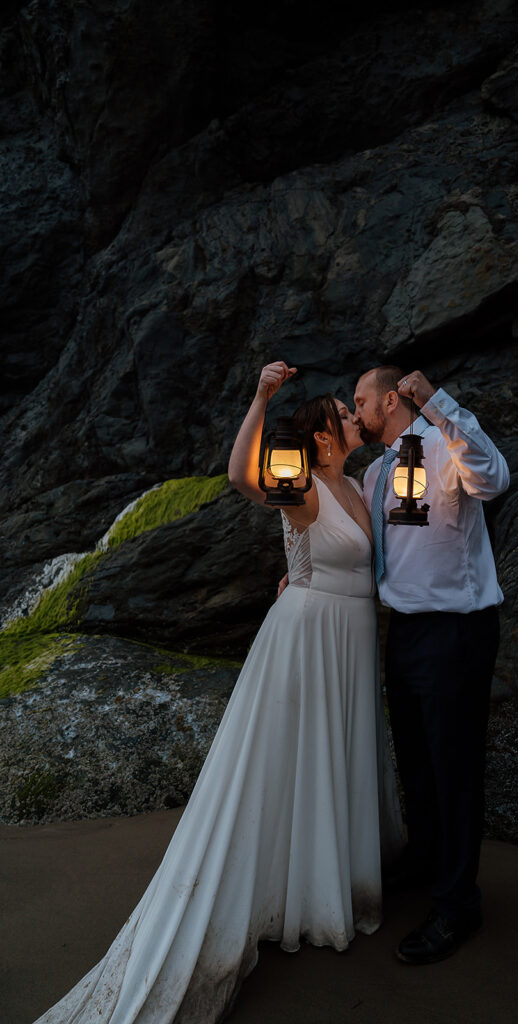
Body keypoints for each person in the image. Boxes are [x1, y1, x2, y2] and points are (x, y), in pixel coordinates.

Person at [34, 361, 403, 1024]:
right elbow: (239, 477)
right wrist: (263, 398)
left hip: (350, 641)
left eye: (356, 410)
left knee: (334, 759)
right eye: (344, 414)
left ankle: (321, 887)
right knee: (289, 762)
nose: (354, 417)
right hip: (307, 638)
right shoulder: (305, 487)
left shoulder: (358, 484)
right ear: (321, 437)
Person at [352, 365, 510, 965]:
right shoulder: (375, 472)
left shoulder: (446, 443)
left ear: (392, 399)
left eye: (362, 401)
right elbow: (367, 552)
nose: (357, 411)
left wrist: (440, 403)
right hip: (405, 631)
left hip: (456, 632)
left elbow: (495, 479)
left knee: (454, 770)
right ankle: (425, 863)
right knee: (416, 764)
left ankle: (456, 905)